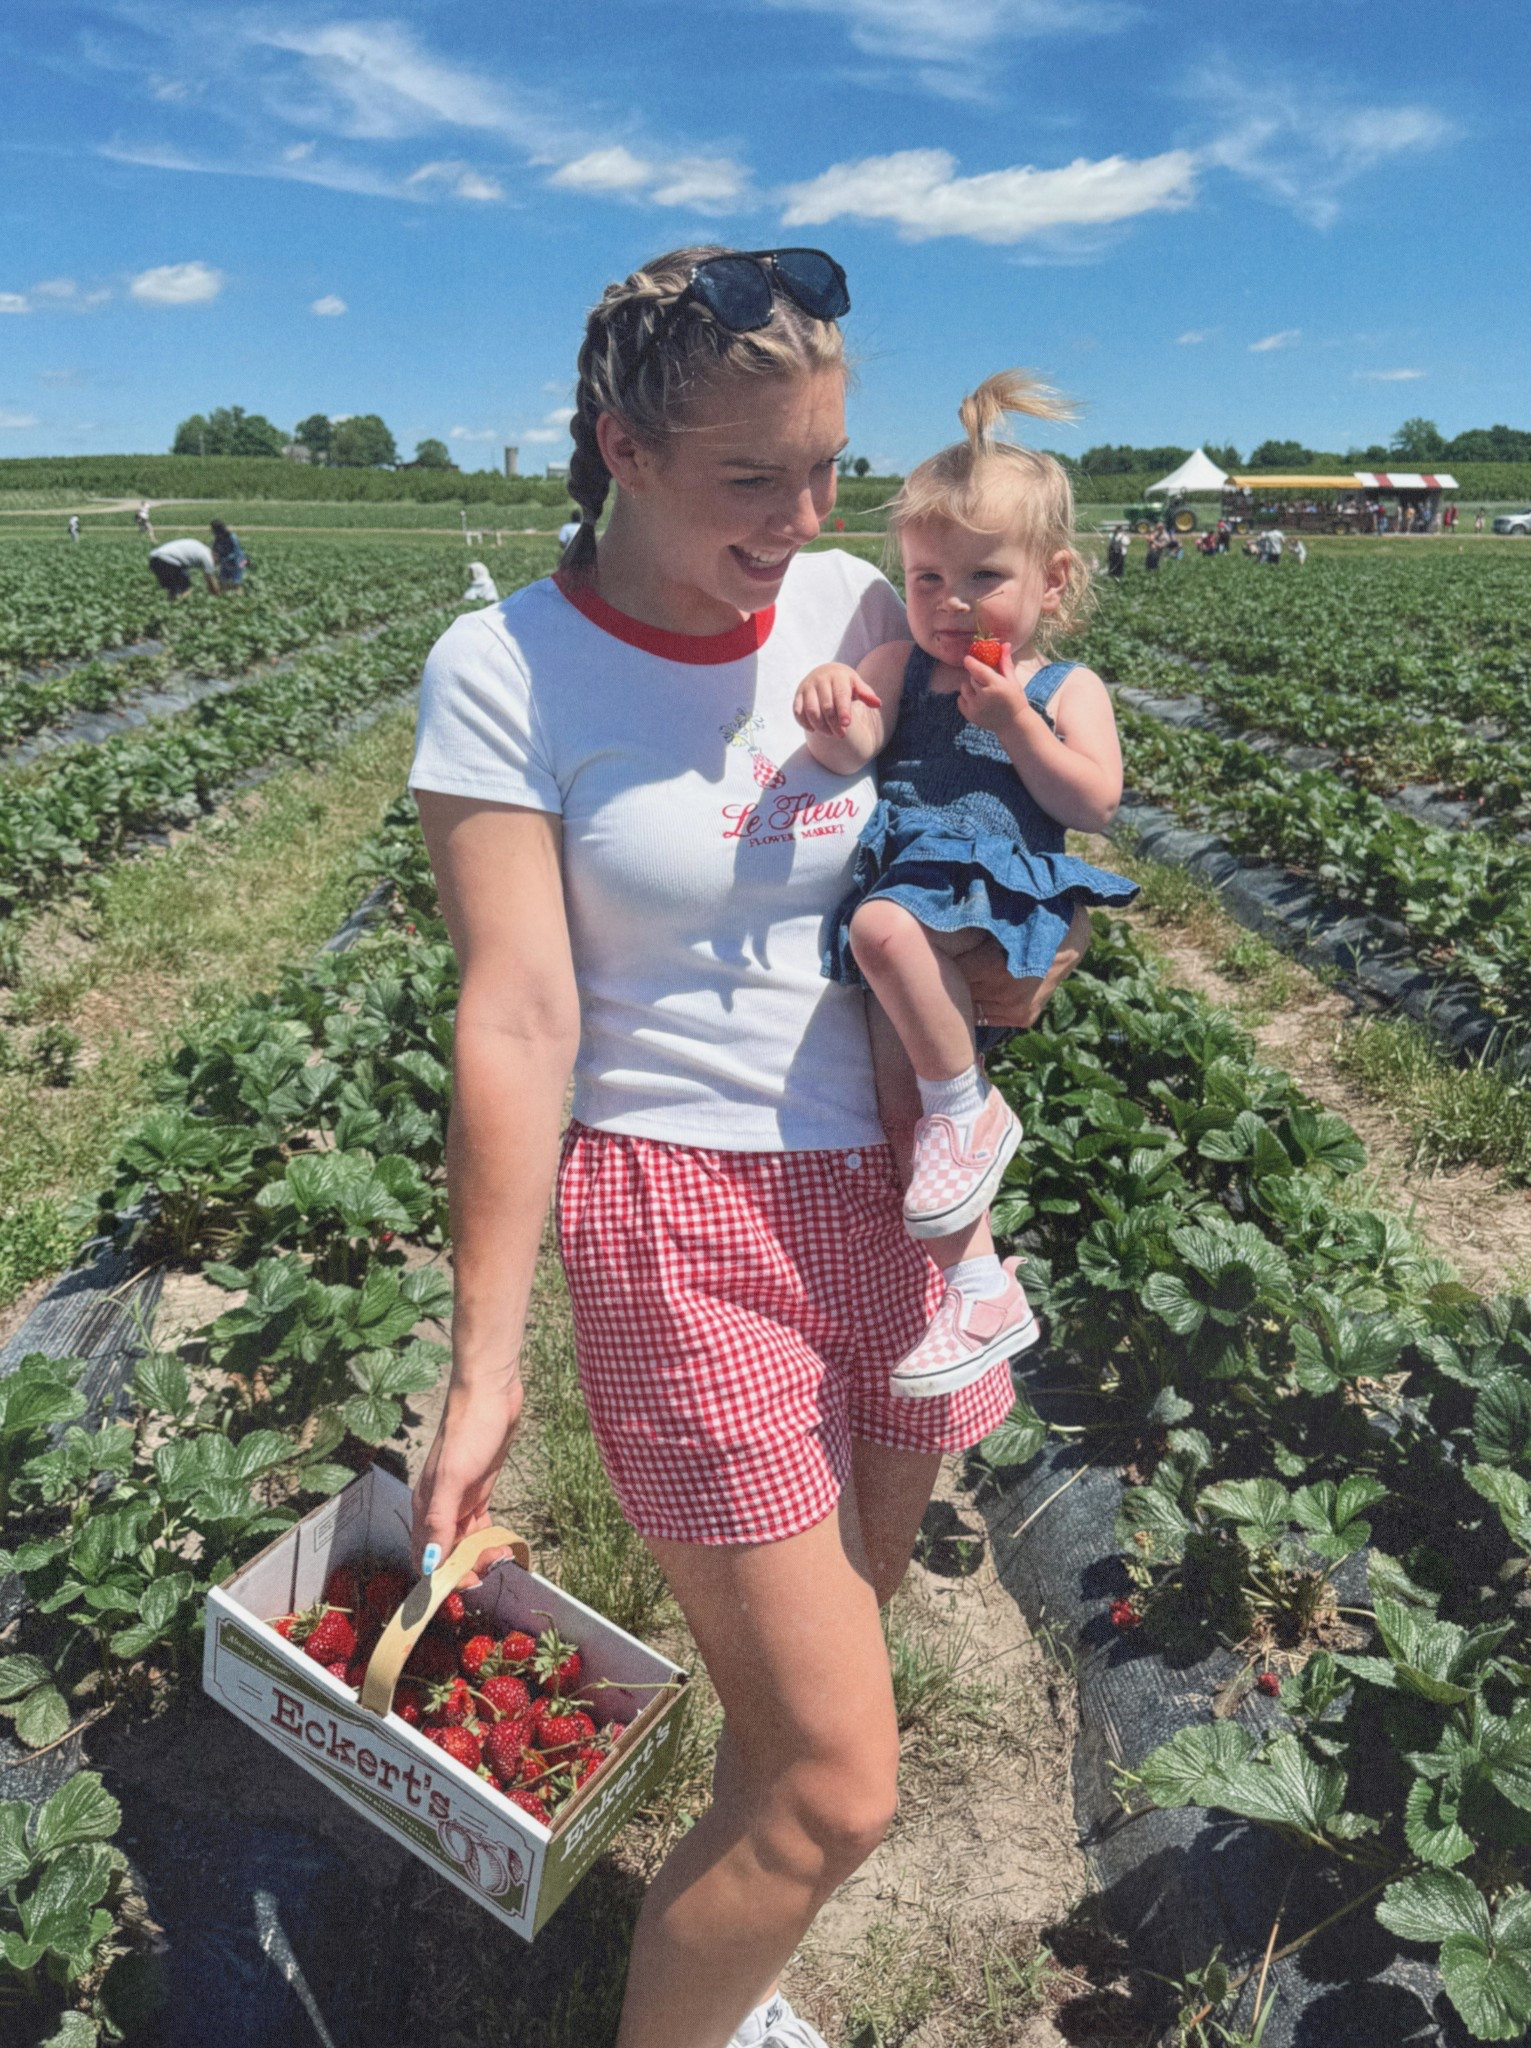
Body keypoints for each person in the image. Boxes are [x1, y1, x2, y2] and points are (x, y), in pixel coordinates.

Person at [407, 244, 1089, 2048]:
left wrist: (1014, 958)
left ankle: (732, 1967)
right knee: (842, 1783)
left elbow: (974, 831)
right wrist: (484, 1365)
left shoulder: (861, 601)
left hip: (897, 1198)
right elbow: (516, 1017)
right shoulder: (507, 667)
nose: (803, 520)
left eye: (827, 469)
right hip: (679, 1217)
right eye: (749, 479)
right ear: (621, 449)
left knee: (816, 1676)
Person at [795, 372, 1137, 1396]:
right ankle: (981, 1287)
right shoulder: (901, 664)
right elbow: (852, 748)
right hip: (915, 887)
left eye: (982, 576)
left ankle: (970, 1110)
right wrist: (832, 701)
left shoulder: (1061, 686)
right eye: (926, 576)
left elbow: (1095, 801)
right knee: (908, 1126)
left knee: (883, 932)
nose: (950, 601)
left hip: (990, 890)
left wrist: (1019, 724)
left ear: (1053, 582)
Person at [147, 534, 220, 599]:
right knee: (186, 589)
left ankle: (171, 604)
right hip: (167, 561)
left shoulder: (202, 549)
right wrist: (217, 597)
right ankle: (179, 605)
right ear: (216, 554)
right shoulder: (208, 557)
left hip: (154, 559)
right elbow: (210, 581)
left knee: (173, 590)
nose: (217, 564)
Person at [209, 518, 247, 589]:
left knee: (236, 584)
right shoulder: (217, 538)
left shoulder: (232, 537)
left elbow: (237, 551)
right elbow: (214, 550)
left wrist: (227, 560)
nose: (211, 531)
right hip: (225, 562)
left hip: (238, 561)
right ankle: (224, 594)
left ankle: (238, 593)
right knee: (222, 582)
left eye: (212, 529)